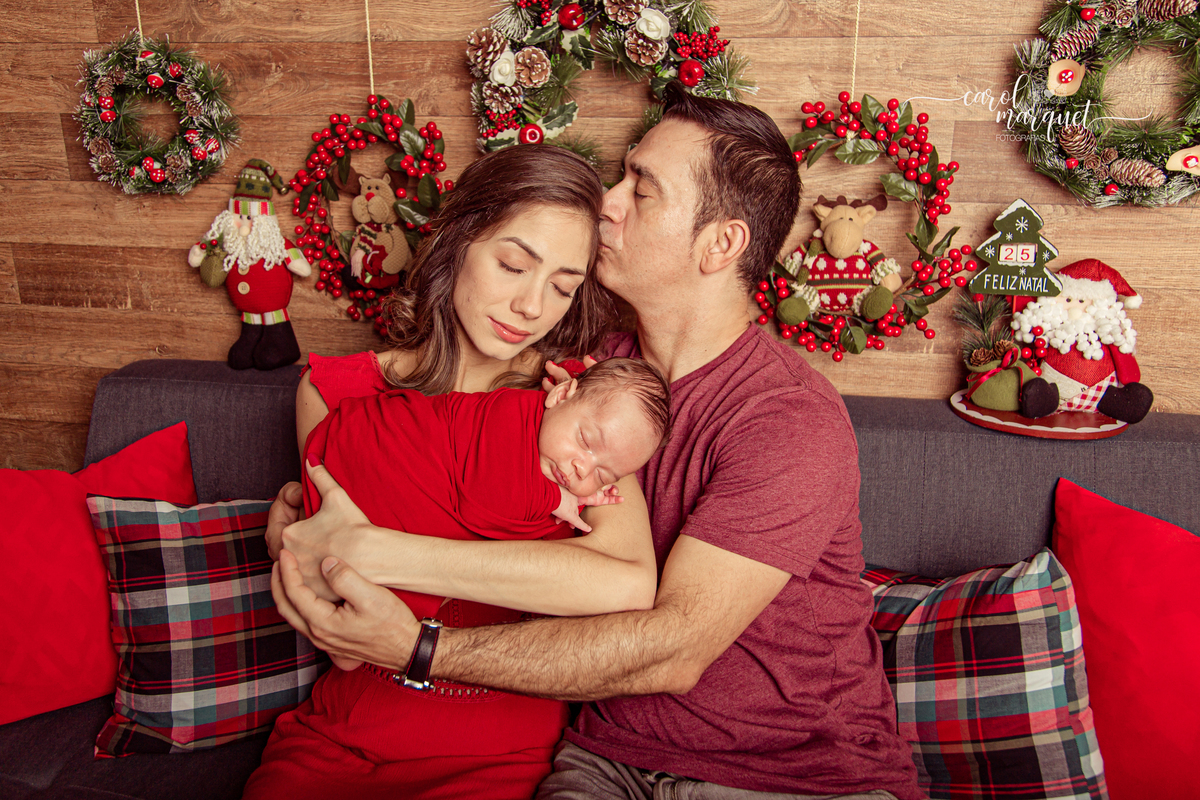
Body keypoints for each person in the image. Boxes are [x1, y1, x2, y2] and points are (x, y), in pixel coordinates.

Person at [270, 83, 924, 799]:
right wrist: (303, 514)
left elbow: (672, 648)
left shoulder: (787, 418)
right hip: (606, 756)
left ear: (721, 244)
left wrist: (413, 635)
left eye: (640, 190)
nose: (607, 204)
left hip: (791, 774)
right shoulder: (582, 373)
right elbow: (430, 437)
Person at [243, 144, 664, 800]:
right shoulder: (335, 394)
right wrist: (298, 546)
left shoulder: (578, 406)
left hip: (500, 751)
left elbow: (627, 582)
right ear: (458, 239)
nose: (532, 306)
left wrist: (376, 551)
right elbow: (330, 601)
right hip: (341, 733)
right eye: (513, 265)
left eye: (562, 286)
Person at [299, 356, 672, 628]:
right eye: (585, 441)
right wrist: (558, 499)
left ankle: (354, 611)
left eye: (604, 474)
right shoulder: (510, 415)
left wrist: (585, 492)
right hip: (370, 452)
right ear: (559, 395)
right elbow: (486, 500)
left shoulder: (559, 436)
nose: (582, 468)